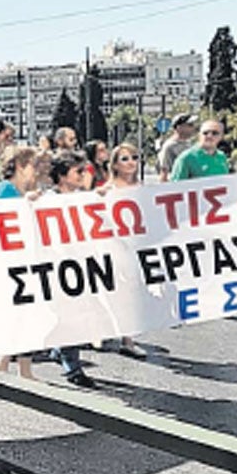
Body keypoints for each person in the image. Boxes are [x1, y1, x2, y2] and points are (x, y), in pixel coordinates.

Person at [44, 151, 97, 389]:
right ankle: (72, 366)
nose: (83, 175)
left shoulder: (81, 198)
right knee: (71, 314)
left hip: (79, 263)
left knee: (78, 313)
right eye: (78, 171)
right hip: (58, 266)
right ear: (63, 175)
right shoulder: (48, 200)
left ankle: (58, 348)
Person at [0, 146, 40, 379]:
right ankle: (5, 364)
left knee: (26, 315)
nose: (36, 172)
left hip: (23, 261)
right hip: (8, 263)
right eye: (32, 166)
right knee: (18, 314)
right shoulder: (4, 191)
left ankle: (19, 367)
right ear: (20, 166)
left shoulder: (17, 191)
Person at [95, 143, 146, 359]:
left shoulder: (141, 187)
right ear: (114, 163)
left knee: (131, 294)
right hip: (112, 247)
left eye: (134, 157)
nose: (131, 162)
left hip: (135, 247)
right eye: (124, 158)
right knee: (108, 291)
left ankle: (128, 339)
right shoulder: (106, 191)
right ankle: (98, 330)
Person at [158, 114, 197, 182]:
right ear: (179, 127)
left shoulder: (190, 144)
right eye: (190, 125)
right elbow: (164, 173)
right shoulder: (169, 146)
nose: (193, 127)